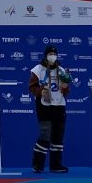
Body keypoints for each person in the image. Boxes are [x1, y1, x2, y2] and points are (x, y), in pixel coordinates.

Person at [28, 45, 71, 173]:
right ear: (46, 55)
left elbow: (66, 90)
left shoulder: (61, 70)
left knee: (58, 137)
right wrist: (41, 92)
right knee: (45, 136)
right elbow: (32, 87)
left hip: (59, 106)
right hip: (44, 106)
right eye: (50, 53)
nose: (52, 55)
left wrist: (65, 86)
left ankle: (56, 165)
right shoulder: (38, 69)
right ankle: (37, 164)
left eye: (54, 53)